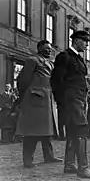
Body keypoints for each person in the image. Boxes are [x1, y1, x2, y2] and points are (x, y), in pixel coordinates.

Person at [51, 30, 90, 179]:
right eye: (84, 42)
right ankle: (83, 168)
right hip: (71, 100)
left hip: (78, 99)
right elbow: (56, 81)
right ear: (76, 40)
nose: (86, 45)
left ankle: (70, 164)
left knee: (74, 130)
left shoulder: (78, 59)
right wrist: (62, 104)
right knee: (81, 129)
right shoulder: (64, 57)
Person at [15, 40, 62, 168]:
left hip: (47, 99)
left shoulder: (50, 64)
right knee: (32, 131)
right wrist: (27, 94)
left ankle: (49, 156)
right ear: (39, 48)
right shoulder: (33, 60)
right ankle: (27, 160)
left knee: (47, 130)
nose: (49, 50)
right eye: (46, 48)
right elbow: (23, 80)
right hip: (35, 99)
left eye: (50, 49)